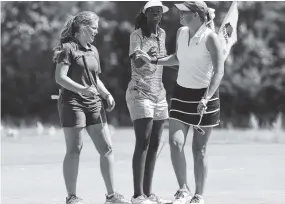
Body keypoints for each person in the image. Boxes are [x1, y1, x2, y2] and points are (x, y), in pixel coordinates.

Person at [136, 2, 224, 204]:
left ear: (195, 14)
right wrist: (154, 61)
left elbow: (219, 72)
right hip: (181, 94)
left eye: (183, 12)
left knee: (198, 149)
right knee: (176, 143)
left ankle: (199, 195)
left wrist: (206, 97)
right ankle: (183, 190)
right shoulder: (182, 32)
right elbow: (178, 58)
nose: (179, 14)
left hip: (205, 97)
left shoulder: (210, 37)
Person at [53, 11, 130, 204]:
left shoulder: (93, 50)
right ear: (83, 27)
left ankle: (112, 196)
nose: (96, 31)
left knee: (107, 148)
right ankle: (72, 197)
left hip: (93, 103)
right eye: (94, 28)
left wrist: (106, 94)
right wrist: (82, 90)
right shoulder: (67, 48)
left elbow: (95, 79)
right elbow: (60, 78)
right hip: (72, 103)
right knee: (74, 149)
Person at [126, 1, 171, 204]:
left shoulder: (162, 34)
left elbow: (163, 61)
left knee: (155, 145)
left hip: (159, 94)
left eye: (159, 11)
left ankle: (148, 193)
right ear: (145, 14)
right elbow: (135, 61)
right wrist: (147, 56)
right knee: (142, 142)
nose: (156, 14)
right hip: (140, 92)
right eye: (152, 11)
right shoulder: (137, 35)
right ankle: (138, 195)